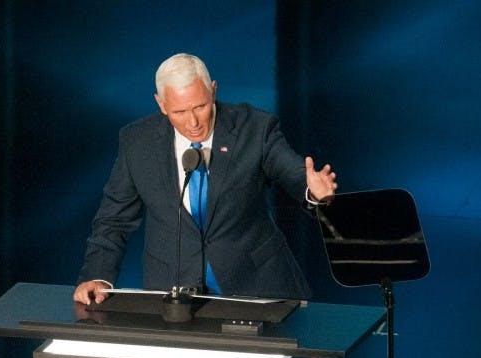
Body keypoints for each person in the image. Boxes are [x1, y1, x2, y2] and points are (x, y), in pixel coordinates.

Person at [73, 53, 337, 305]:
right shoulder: (137, 142)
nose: (193, 122)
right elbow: (114, 219)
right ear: (161, 104)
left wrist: (312, 191)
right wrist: (97, 276)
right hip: (173, 295)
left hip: (257, 288)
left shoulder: (255, 128)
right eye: (180, 112)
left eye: (200, 106)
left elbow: (291, 172)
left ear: (213, 90)